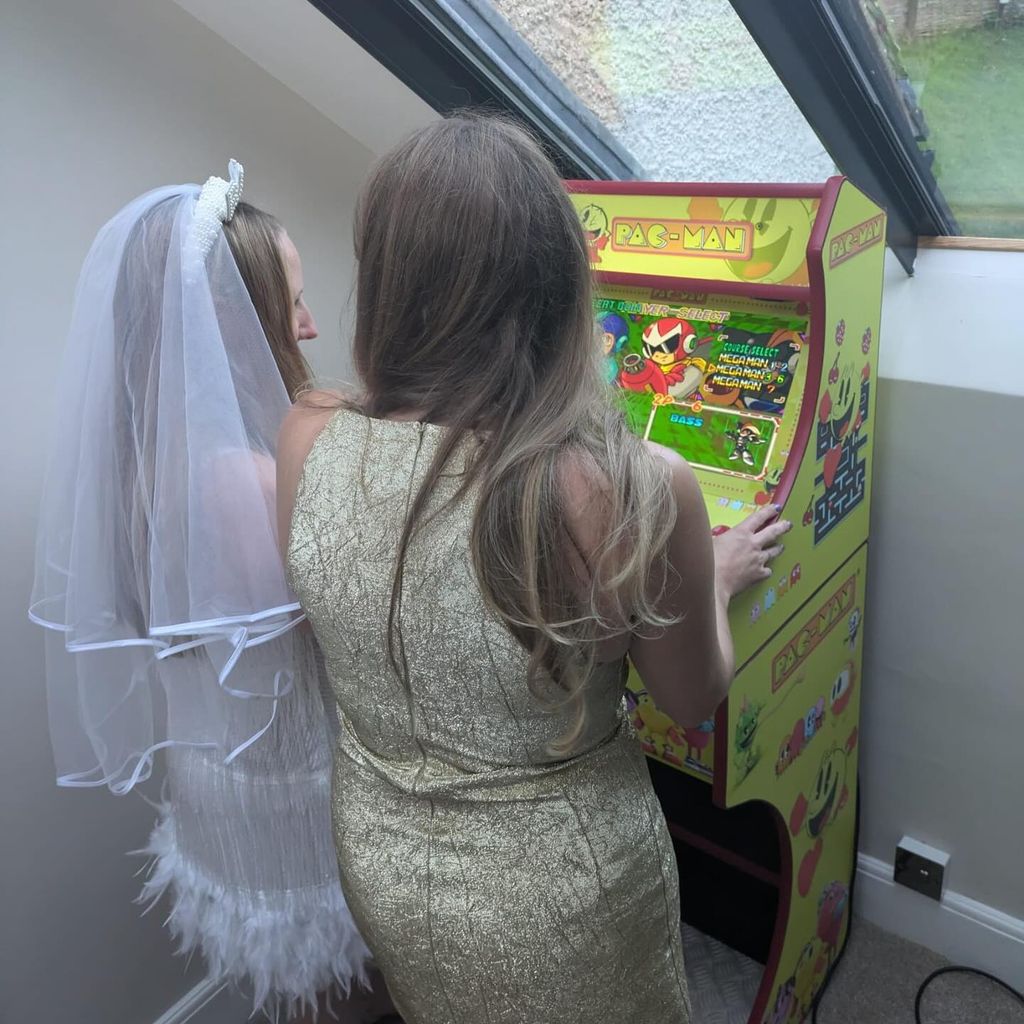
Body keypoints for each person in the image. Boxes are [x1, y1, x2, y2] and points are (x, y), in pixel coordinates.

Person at [276, 113, 790, 1024]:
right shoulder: (635, 483)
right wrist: (710, 577)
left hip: (380, 848)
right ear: (558, 285)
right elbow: (690, 698)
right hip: (562, 891)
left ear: (388, 278)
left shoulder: (307, 432)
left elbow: (367, 623)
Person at [30, 163, 386, 1020]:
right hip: (290, 773)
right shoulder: (250, 476)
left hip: (214, 761)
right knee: (333, 978)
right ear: (228, 313)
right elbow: (349, 629)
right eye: (292, 303)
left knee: (294, 970)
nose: (308, 323)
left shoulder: (137, 454)